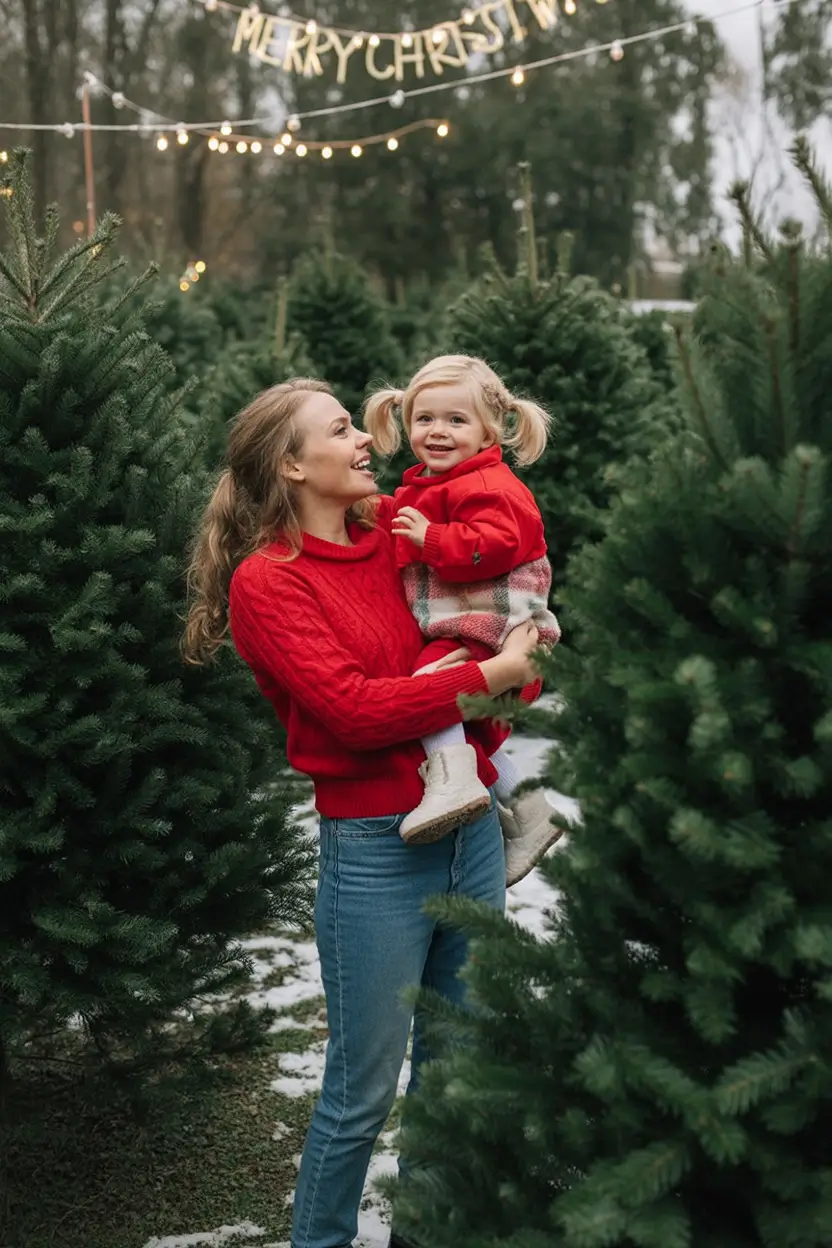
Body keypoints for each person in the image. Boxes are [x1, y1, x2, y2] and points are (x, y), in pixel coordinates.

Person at [180, 378, 541, 1248]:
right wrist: (486, 677)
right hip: (379, 850)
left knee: (454, 1074)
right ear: (294, 466)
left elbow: (486, 596)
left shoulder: (395, 540)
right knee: (361, 1094)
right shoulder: (269, 584)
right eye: (342, 430)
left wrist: (516, 652)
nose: (366, 440)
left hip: (473, 839)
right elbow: (355, 710)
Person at [364, 354, 563, 885]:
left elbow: (494, 547)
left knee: (430, 688)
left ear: (488, 430)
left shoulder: (491, 486)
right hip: (467, 622)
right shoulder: (435, 482)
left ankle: (453, 785)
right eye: (425, 419)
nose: (439, 431)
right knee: (466, 729)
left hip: (494, 624)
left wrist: (431, 539)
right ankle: (531, 811)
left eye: (457, 420)